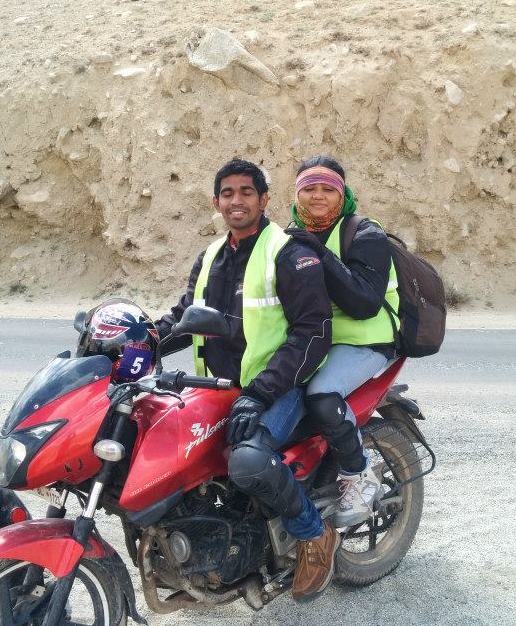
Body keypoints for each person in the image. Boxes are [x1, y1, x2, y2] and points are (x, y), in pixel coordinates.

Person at [155, 158, 339, 602]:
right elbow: (182, 317)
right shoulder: (212, 255)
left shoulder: (290, 253)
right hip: (215, 388)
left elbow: (313, 332)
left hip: (275, 387)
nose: (236, 201)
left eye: (246, 192)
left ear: (264, 199)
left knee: (247, 462)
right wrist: (133, 342)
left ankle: (313, 534)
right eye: (227, 193)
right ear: (216, 202)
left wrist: (259, 393)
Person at [283, 156, 399, 528]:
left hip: (367, 339)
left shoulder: (365, 234)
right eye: (309, 189)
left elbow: (364, 304)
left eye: (327, 189)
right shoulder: (286, 234)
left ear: (342, 193)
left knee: (321, 393)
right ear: (297, 193)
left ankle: (359, 473)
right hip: (314, 338)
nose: (318, 196)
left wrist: (318, 252)